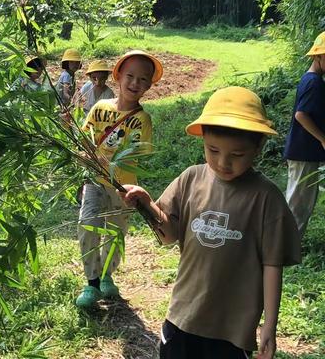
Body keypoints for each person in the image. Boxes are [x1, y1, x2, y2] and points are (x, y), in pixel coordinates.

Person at [122, 86, 301, 359]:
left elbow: (272, 266)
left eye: (237, 155)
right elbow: (168, 235)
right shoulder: (191, 179)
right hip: (184, 315)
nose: (223, 162)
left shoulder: (266, 199)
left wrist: (270, 325)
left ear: (258, 146)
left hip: (232, 328)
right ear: (203, 139)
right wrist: (147, 204)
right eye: (213, 150)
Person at [76, 50, 163, 308]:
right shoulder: (100, 108)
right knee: (87, 225)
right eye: (130, 76)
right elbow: (85, 137)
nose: (135, 83)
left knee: (115, 233)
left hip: (124, 188)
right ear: (118, 77)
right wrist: (84, 152)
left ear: (149, 84)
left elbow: (140, 151)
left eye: (143, 79)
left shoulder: (142, 119)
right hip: (94, 181)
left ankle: (106, 276)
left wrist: (111, 160)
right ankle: (91, 282)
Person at [284, 31, 325, 238]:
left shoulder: (312, 79)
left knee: (303, 201)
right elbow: (302, 115)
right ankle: (285, 247)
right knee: (298, 204)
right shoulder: (314, 82)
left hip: (305, 152)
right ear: (317, 57)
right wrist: (323, 138)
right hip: (303, 151)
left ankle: (287, 244)